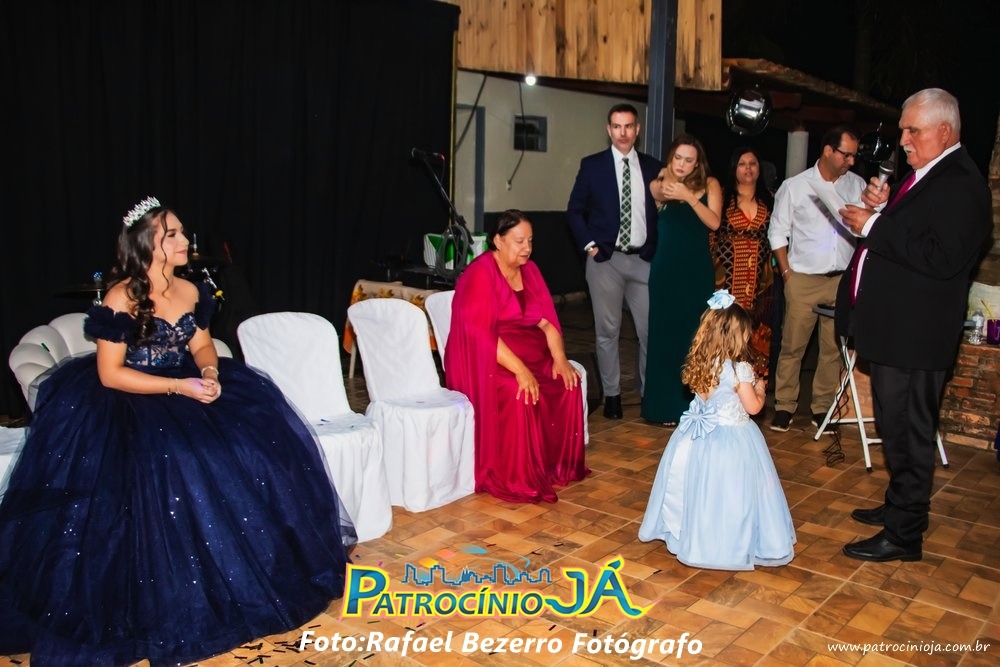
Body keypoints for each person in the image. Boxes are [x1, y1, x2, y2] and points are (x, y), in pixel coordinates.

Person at [0, 197, 353, 665]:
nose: (185, 240)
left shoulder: (190, 289)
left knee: (249, 450)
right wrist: (178, 386)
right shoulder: (121, 296)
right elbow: (110, 374)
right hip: (129, 399)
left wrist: (209, 372)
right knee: (174, 462)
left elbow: (203, 345)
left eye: (183, 232)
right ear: (148, 243)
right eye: (173, 235)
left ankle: (241, 576)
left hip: (185, 386)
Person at [838, 89, 992, 562]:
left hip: (916, 336)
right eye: (903, 129)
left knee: (909, 432)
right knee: (894, 425)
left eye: (912, 130)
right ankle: (899, 505)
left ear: (944, 131)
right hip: (897, 331)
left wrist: (873, 225)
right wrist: (884, 208)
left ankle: (904, 534)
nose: (902, 139)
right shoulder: (929, 174)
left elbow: (941, 258)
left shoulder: (961, 183)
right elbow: (914, 235)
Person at [638, 290, 796, 570]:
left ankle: (695, 535)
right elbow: (753, 408)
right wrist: (760, 389)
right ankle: (728, 542)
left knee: (700, 490)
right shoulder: (739, 370)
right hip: (734, 441)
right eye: (745, 334)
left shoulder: (703, 364)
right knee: (732, 494)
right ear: (737, 337)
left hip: (698, 438)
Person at [445, 209, 589, 503]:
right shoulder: (480, 273)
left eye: (530, 241)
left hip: (531, 354)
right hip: (488, 358)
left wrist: (560, 359)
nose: (527, 248)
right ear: (498, 241)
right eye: (519, 241)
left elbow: (548, 323)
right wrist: (521, 370)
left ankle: (551, 465)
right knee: (518, 390)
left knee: (567, 383)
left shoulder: (531, 271)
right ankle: (517, 474)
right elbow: (482, 334)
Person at [566, 103, 663, 419]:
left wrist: (656, 247)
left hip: (644, 260)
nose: (623, 132)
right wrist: (589, 245)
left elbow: (665, 213)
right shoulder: (592, 166)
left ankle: (648, 393)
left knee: (650, 331)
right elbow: (574, 211)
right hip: (605, 261)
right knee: (607, 331)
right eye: (617, 126)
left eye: (629, 126)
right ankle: (612, 396)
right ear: (609, 130)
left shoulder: (654, 168)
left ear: (637, 129)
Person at [767, 126, 866, 433]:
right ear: (827, 151)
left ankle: (822, 407)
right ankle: (784, 406)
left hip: (841, 280)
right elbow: (777, 231)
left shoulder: (857, 185)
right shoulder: (796, 186)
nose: (851, 161)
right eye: (846, 154)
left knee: (832, 348)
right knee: (793, 346)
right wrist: (787, 274)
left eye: (854, 156)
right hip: (803, 279)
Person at [642, 134, 722, 425]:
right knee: (663, 336)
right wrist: (670, 181)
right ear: (670, 157)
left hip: (696, 271)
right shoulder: (661, 182)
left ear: (697, 163)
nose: (682, 164)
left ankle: (692, 406)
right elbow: (658, 190)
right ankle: (661, 408)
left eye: (689, 160)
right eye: (678, 157)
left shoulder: (710, 184)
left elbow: (714, 222)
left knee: (694, 336)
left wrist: (689, 196)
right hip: (665, 270)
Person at [713, 146, 775, 378]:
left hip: (761, 285)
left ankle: (754, 390)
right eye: (742, 164)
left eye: (753, 163)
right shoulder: (722, 197)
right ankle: (720, 387)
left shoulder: (770, 200)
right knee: (722, 332)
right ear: (734, 168)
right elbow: (710, 235)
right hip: (725, 283)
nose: (748, 168)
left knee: (758, 337)